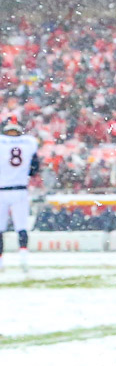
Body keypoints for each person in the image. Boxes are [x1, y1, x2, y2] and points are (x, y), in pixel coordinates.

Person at [0, 115, 39, 273]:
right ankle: (23, 257)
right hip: (20, 189)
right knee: (21, 227)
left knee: (0, 229)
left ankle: (1, 261)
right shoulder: (29, 143)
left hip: (1, 190)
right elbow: (34, 168)